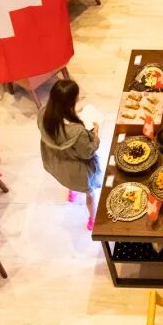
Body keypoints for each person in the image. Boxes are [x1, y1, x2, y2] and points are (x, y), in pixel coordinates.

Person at [39, 79, 101, 231]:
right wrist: (96, 133)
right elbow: (88, 152)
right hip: (78, 170)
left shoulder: (43, 114)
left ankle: (72, 193)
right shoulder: (77, 132)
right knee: (90, 194)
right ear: (71, 102)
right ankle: (92, 220)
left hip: (57, 163)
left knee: (69, 179)